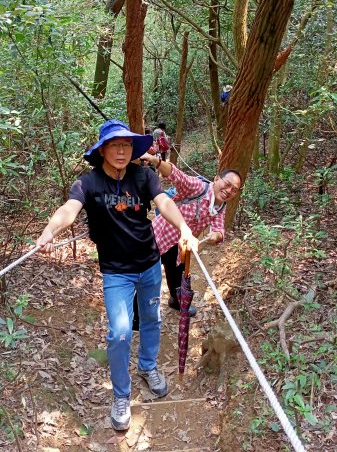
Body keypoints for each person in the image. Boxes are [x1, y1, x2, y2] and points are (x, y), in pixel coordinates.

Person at [36, 120, 198, 432]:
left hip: (149, 264)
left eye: (126, 145)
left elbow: (163, 202)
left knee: (151, 320)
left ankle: (148, 367)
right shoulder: (88, 183)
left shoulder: (143, 175)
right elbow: (69, 210)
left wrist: (185, 229)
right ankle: (121, 395)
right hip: (116, 272)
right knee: (120, 332)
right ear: (102, 150)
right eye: (114, 145)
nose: (121, 150)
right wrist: (48, 232)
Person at [140, 152, 242, 316]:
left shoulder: (220, 207)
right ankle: (136, 313)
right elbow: (177, 175)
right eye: (227, 184)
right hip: (159, 236)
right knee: (145, 274)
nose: (229, 190)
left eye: (234, 189)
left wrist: (214, 237)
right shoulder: (199, 188)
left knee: (176, 275)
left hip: (182, 244)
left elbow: (219, 230)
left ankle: (176, 301)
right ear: (216, 179)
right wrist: (155, 161)